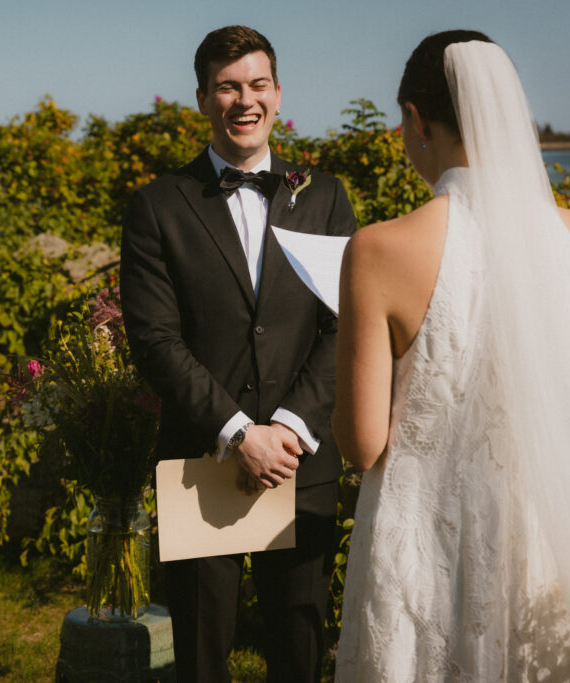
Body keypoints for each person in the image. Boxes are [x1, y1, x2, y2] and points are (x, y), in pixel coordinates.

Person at [332, 30, 570, 679]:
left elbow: (360, 442)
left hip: (423, 557)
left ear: (414, 120)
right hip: (540, 541)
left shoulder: (379, 249)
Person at [120, 25, 357, 682]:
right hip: (202, 458)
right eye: (228, 87)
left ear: (278, 94)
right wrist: (236, 431)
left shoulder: (326, 197)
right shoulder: (156, 207)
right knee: (199, 654)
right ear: (202, 98)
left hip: (300, 464)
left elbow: (345, 326)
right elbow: (154, 340)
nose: (243, 100)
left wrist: (287, 428)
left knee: (300, 651)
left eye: (256, 85)